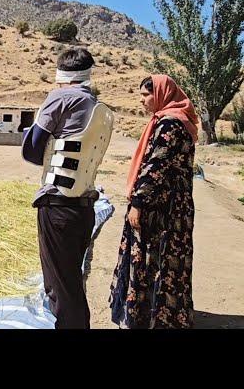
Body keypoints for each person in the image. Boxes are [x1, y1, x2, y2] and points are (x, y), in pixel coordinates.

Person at [21, 48, 114, 329]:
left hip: (58, 205)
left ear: (60, 74)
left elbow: (33, 150)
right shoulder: (98, 107)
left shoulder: (59, 98)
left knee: (61, 288)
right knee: (72, 281)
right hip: (85, 207)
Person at [109, 75, 198, 329]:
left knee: (155, 259)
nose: (142, 100)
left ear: (161, 94)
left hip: (161, 208)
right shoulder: (175, 121)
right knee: (167, 260)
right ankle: (164, 316)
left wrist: (138, 202)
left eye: (146, 94)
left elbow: (156, 166)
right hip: (172, 204)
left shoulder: (170, 125)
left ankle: (151, 317)